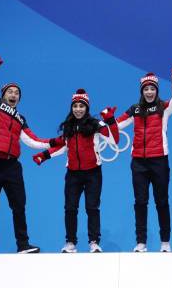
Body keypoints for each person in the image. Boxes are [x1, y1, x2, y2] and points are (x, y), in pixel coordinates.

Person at [0, 54, 55, 254]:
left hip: (12, 167)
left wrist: (56, 142)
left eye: (17, 93)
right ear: (3, 94)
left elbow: (32, 140)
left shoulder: (20, 118)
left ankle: (23, 245)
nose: (14, 94)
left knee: (19, 206)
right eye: (10, 91)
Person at [32, 89, 119, 253]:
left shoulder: (95, 124)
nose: (78, 109)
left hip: (93, 173)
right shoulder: (68, 127)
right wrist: (43, 156)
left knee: (92, 208)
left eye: (81, 106)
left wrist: (110, 120)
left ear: (87, 108)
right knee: (70, 208)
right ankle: (70, 242)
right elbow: (62, 147)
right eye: (75, 106)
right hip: (73, 174)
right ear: (72, 108)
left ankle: (94, 242)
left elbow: (115, 140)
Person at [117, 69, 172, 252]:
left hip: (159, 161)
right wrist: (106, 120)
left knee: (161, 201)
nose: (149, 92)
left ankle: (165, 242)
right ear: (141, 91)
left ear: (156, 90)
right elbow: (116, 125)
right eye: (146, 89)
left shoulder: (164, 107)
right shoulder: (135, 110)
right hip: (139, 163)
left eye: (152, 88)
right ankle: (141, 242)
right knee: (140, 202)